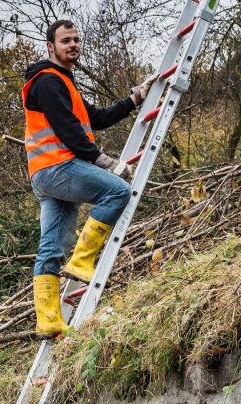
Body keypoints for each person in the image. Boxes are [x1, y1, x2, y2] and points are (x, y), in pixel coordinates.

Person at [24, 18, 151, 338]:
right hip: (57, 167)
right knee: (118, 191)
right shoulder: (48, 81)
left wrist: (133, 100)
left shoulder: (62, 82)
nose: (73, 45)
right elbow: (68, 131)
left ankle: (48, 320)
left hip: (46, 173)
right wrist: (104, 162)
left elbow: (95, 118)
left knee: (52, 247)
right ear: (50, 46)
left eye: (76, 40)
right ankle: (82, 261)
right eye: (66, 41)